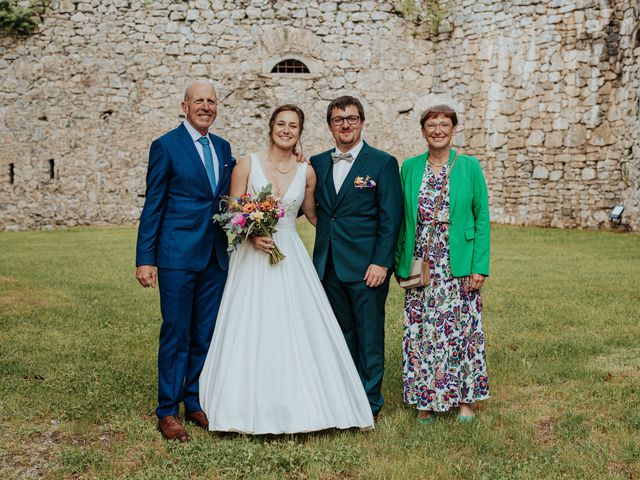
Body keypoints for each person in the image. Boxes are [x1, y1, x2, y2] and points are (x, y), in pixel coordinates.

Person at [199, 105, 373, 434]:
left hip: (289, 253)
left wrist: (355, 240)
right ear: (271, 127)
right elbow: (233, 213)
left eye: (293, 125)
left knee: (297, 325)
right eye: (281, 124)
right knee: (251, 325)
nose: (286, 130)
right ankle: (240, 406)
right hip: (252, 256)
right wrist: (251, 235)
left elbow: (313, 214)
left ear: (300, 131)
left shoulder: (306, 171)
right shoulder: (247, 164)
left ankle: (307, 404)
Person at [135, 80, 235, 442]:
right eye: (199, 101)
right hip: (177, 254)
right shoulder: (166, 146)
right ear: (184, 105)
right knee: (176, 332)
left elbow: (232, 191)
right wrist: (146, 258)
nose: (206, 106)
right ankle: (167, 410)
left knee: (204, 333)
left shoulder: (223, 147)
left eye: (211, 101)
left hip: (215, 255)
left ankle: (194, 401)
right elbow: (154, 205)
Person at [395, 104, 490, 424]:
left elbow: (481, 219)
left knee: (461, 330)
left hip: (457, 261)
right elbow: (401, 219)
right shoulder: (409, 168)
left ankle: (464, 400)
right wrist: (399, 261)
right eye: (431, 125)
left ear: (453, 130)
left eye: (444, 124)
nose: (438, 130)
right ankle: (426, 401)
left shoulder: (470, 167)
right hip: (420, 260)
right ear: (423, 131)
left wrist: (479, 265)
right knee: (422, 331)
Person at [310, 96, 403, 419]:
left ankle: (369, 402)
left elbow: (391, 218)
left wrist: (381, 262)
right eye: (338, 120)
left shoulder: (382, 163)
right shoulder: (317, 162)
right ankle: (344, 396)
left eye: (351, 118)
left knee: (368, 336)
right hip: (328, 266)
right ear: (330, 126)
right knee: (339, 334)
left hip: (367, 268)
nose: (345, 125)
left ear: (362, 122)